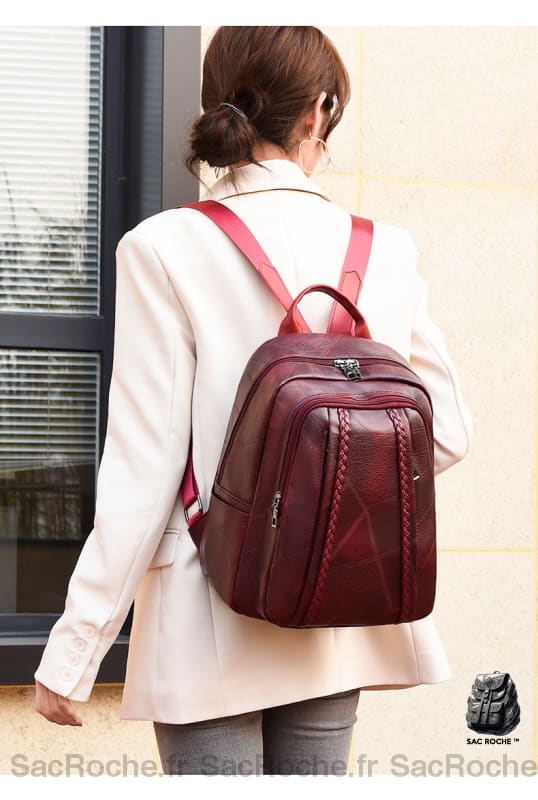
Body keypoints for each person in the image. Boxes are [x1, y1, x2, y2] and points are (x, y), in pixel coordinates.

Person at [33, 26, 474, 776]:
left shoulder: (164, 246)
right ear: (318, 113)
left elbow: (144, 468)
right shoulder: (384, 250)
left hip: (211, 607)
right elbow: (448, 431)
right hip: (336, 601)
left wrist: (75, 649)